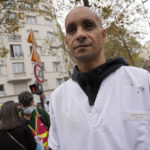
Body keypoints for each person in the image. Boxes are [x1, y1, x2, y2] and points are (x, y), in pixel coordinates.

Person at [48, 6, 150, 150]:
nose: (80, 34)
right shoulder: (57, 98)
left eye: (88, 26)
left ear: (103, 36)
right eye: (72, 30)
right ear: (67, 42)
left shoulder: (142, 81)